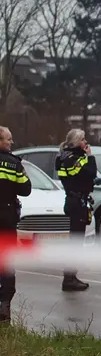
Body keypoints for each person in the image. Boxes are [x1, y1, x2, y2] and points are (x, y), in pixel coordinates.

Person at [55, 129, 97, 292]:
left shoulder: (64, 157)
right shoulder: (73, 159)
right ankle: (69, 279)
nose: (85, 142)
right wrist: (90, 156)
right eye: (82, 139)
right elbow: (90, 173)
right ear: (75, 142)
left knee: (76, 239)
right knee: (76, 241)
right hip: (76, 201)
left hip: (74, 200)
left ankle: (71, 276)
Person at [0, 127, 31, 323]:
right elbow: (26, 189)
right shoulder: (14, 164)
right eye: (8, 139)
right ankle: (4, 307)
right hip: (6, 217)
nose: (12, 143)